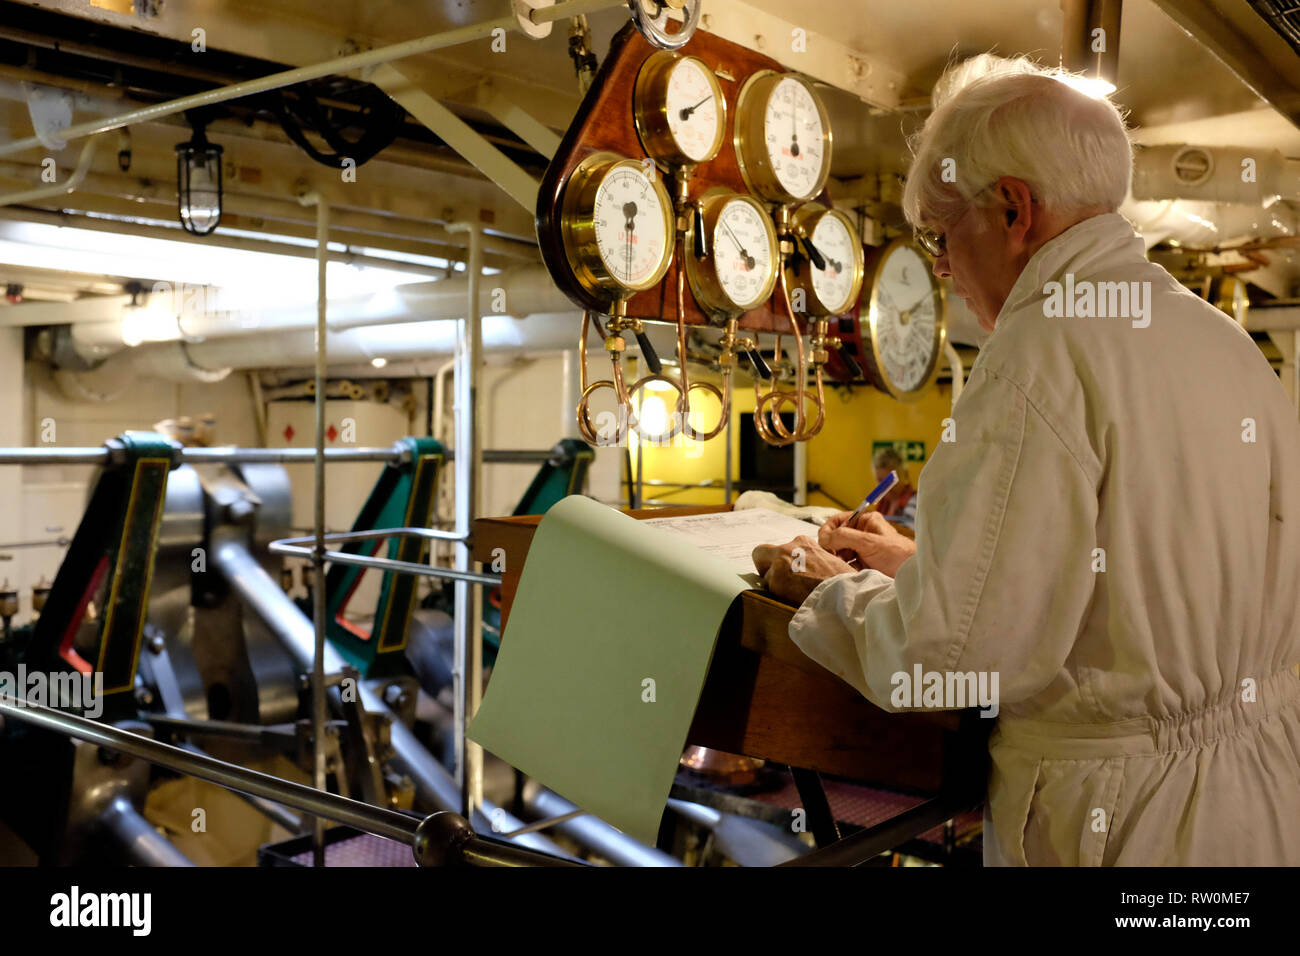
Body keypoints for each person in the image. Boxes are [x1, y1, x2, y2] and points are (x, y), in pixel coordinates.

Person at [752, 54, 1300, 865]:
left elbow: (950, 660)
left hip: (1121, 822)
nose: (945, 272)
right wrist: (922, 567)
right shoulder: (1220, 340)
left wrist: (829, 595)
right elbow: (1136, 585)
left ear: (1012, 208)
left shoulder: (1039, 350)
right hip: (1261, 798)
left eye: (942, 238)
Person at [869, 447, 917, 529]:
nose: (886, 486)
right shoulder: (881, 505)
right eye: (881, 481)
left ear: (905, 475)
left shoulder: (916, 503)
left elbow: (907, 537)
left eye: (890, 480)